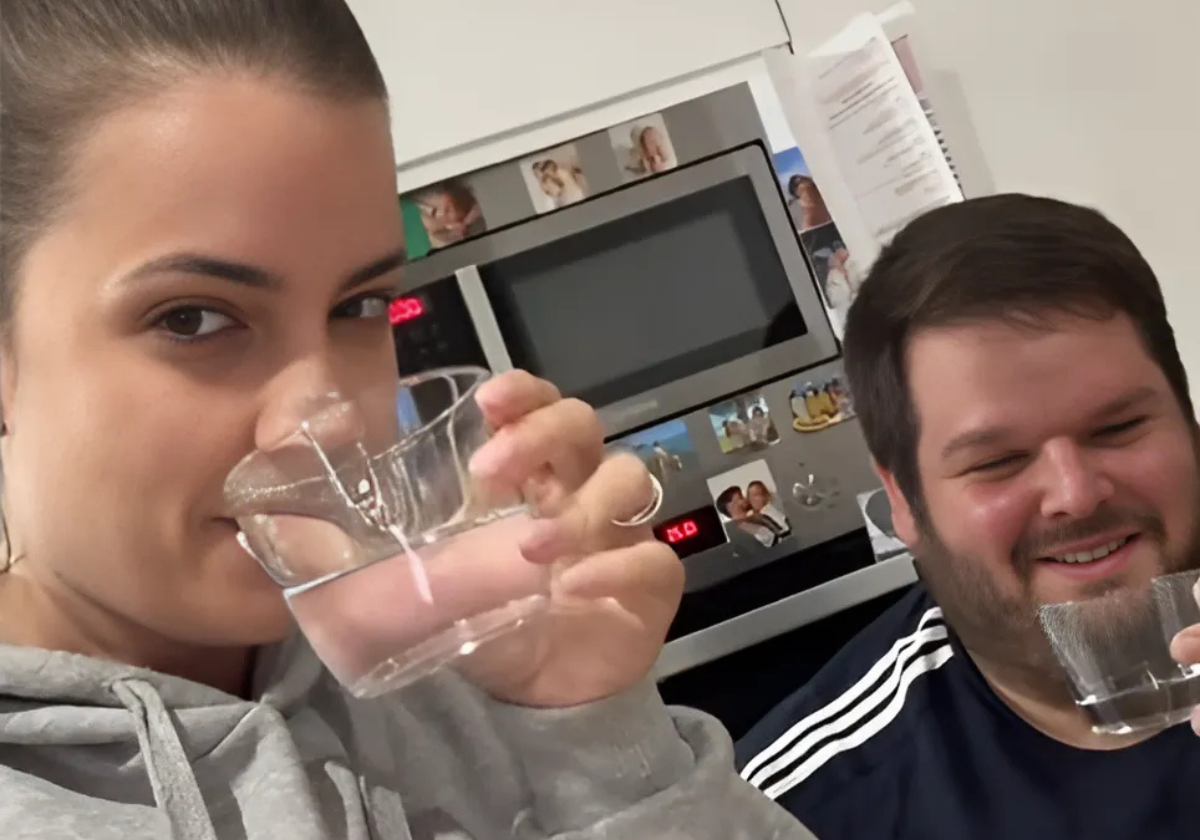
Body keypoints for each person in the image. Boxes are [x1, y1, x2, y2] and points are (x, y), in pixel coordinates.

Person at [0, 3, 818, 839]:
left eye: (360, 306)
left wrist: (601, 734)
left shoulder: (469, 656)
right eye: (191, 320)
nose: (323, 423)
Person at [737, 194, 1200, 838]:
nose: (1076, 492)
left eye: (1119, 427)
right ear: (904, 502)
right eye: (999, 461)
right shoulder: (794, 810)